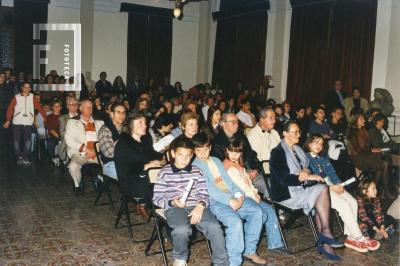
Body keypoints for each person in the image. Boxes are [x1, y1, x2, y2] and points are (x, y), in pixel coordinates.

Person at [269, 121, 343, 261]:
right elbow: (283, 179)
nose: (298, 134)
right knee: (321, 192)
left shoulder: (297, 149)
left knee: (322, 190)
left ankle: (325, 238)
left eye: (299, 131)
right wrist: (303, 177)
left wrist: (305, 172)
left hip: (301, 189)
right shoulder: (277, 152)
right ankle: (325, 239)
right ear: (285, 133)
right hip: (287, 193)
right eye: (295, 132)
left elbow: (306, 166)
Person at [192, 133, 266, 266]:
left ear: (210, 148)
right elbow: (208, 189)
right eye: (198, 150)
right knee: (235, 222)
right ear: (194, 151)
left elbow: (229, 182)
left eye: (205, 149)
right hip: (215, 201)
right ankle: (234, 262)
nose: (202, 154)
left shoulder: (215, 160)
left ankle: (249, 250)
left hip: (231, 196)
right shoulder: (195, 166)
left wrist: (237, 194)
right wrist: (229, 200)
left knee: (257, 212)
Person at [153, 137, 229, 266]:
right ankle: (180, 258)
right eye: (180, 155)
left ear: (192, 156)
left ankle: (221, 262)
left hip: (196, 206)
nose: (183, 159)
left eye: (187, 156)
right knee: (182, 229)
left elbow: (204, 194)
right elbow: (156, 198)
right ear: (173, 154)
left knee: (215, 227)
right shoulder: (164, 172)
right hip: (174, 207)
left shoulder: (197, 171)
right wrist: (172, 202)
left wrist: (200, 206)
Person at [305, 134, 380, 253]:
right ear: (309, 144)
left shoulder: (323, 158)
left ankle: (351, 237)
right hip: (320, 190)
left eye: (321, 143)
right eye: (315, 142)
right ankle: (359, 237)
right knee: (344, 205)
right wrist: (331, 187)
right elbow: (312, 181)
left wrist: (339, 185)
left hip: (332, 186)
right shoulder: (305, 159)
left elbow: (332, 173)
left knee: (353, 202)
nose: (319, 145)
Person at [223, 138, 285, 252]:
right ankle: (245, 241)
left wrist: (255, 192)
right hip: (239, 197)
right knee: (262, 214)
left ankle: (275, 243)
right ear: (226, 150)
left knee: (270, 211)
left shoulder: (238, 165)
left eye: (237, 152)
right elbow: (241, 186)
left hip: (249, 195)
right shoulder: (228, 166)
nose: (234, 155)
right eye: (231, 151)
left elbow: (249, 183)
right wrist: (254, 195)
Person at [114, 111, 163, 219]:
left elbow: (151, 153)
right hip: (130, 181)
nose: (145, 125)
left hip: (146, 176)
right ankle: (156, 208)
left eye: (145, 122)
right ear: (131, 125)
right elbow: (125, 170)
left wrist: (163, 158)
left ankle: (162, 209)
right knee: (162, 184)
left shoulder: (145, 139)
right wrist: (145, 166)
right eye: (140, 123)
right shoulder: (123, 144)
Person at [212, 113, 268, 199]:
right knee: (268, 188)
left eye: (237, 122)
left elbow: (251, 154)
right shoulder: (217, 142)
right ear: (223, 124)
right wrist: (245, 174)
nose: (237, 125)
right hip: (236, 178)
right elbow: (225, 167)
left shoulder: (241, 136)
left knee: (274, 185)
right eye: (233, 122)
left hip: (252, 172)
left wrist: (256, 170)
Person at [3, 82, 47, 165]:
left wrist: (44, 116)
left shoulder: (32, 97)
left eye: (28, 87)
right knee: (16, 141)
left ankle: (25, 157)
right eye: (25, 87)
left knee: (28, 141)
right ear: (22, 88)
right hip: (17, 122)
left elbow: (38, 107)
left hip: (28, 122)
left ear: (30, 89)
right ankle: (19, 157)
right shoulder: (16, 97)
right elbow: (10, 109)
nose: (26, 89)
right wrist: (8, 120)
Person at [347, 114, 389, 197]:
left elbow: (368, 146)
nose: (364, 120)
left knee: (384, 162)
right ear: (355, 121)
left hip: (365, 154)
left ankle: (376, 188)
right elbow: (357, 149)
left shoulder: (364, 130)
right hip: (357, 156)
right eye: (361, 119)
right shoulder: (352, 132)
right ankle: (379, 189)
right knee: (380, 162)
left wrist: (373, 149)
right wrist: (371, 150)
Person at [65, 100, 104, 190]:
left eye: (91, 107)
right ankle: (78, 184)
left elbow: (103, 139)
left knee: (110, 164)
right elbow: (69, 140)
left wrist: (96, 151)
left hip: (97, 154)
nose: (89, 109)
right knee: (73, 167)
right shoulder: (72, 122)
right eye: (87, 107)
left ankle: (98, 179)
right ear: (80, 108)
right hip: (80, 153)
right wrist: (85, 149)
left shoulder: (99, 122)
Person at [98, 102, 126, 180]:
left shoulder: (126, 128)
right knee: (130, 176)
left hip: (126, 160)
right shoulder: (105, 130)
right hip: (110, 164)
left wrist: (118, 145)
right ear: (112, 114)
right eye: (118, 112)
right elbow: (110, 153)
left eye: (123, 113)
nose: (122, 115)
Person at [58, 97, 79, 161]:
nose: (74, 106)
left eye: (76, 104)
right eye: (71, 104)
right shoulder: (63, 118)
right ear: (67, 106)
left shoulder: (81, 117)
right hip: (68, 141)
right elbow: (62, 133)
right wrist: (74, 136)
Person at [45, 101, 62, 166]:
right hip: (53, 135)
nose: (57, 108)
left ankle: (62, 158)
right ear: (52, 107)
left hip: (63, 135)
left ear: (61, 107)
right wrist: (59, 137)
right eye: (55, 106)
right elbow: (50, 129)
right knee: (50, 142)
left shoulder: (63, 116)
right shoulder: (49, 117)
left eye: (58, 106)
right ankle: (53, 158)